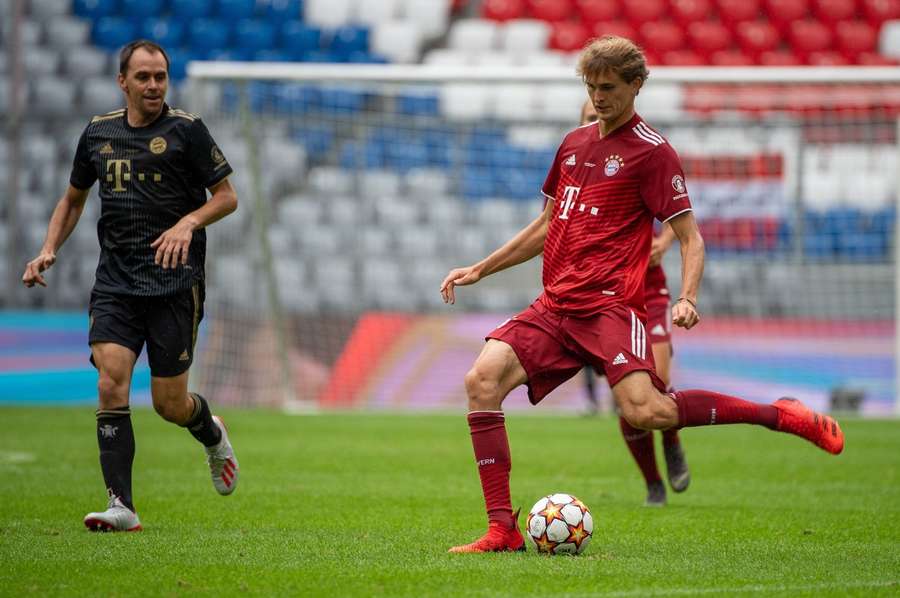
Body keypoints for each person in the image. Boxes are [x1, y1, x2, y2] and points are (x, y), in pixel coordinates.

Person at [440, 36, 843, 554]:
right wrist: (482, 268)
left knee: (646, 412)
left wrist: (688, 297)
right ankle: (502, 529)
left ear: (636, 85)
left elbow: (690, 236)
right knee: (482, 380)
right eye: (591, 86)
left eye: (608, 87)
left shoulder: (653, 154)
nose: (599, 96)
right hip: (555, 306)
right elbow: (546, 225)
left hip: (610, 306)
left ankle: (780, 414)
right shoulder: (573, 143)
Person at [22, 40, 240, 532]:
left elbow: (227, 198)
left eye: (160, 76)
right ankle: (122, 506)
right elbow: (73, 198)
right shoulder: (99, 134)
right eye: (143, 77)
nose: (153, 86)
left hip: (175, 286)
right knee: (111, 380)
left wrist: (189, 223)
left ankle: (211, 432)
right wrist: (48, 247)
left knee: (169, 405)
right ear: (123, 81)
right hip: (117, 284)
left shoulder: (187, 131)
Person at [580, 100, 689, 507]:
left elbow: (682, 221)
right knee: (628, 400)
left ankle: (672, 439)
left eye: (599, 113)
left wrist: (661, 243)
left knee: (655, 385)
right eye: (589, 118)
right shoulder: (574, 166)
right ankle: (653, 483)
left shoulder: (642, 157)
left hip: (647, 291)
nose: (598, 121)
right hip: (599, 298)